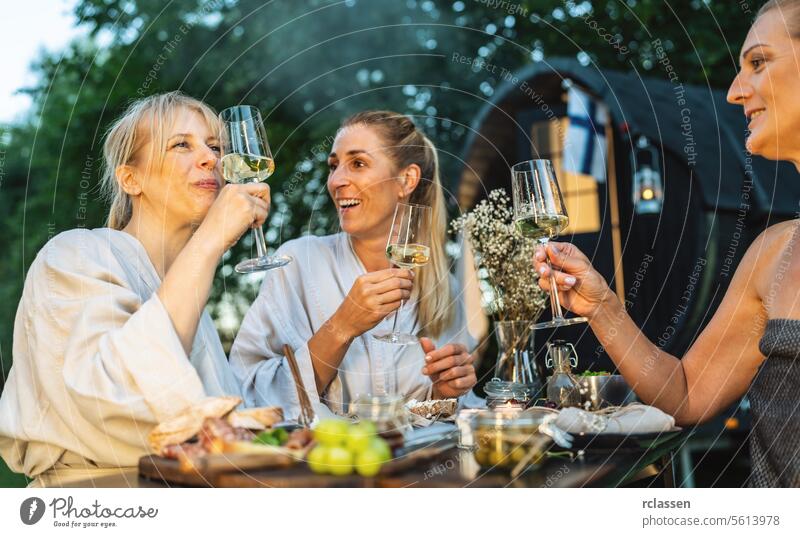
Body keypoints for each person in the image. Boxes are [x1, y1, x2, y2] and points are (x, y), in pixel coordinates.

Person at [532, 0, 800, 487]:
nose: (737, 92)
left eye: (759, 62)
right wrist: (602, 307)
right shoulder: (773, 252)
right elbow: (687, 394)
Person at [0, 91, 270, 486]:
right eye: (181, 144)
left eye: (215, 146)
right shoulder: (75, 254)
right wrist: (212, 238)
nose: (211, 158)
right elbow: (115, 399)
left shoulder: (189, 294)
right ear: (131, 178)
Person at [231, 111, 479, 418]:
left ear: (406, 179)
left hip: (416, 465)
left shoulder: (443, 289)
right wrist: (342, 326)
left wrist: (443, 394)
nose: (336, 181)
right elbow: (250, 393)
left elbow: (435, 420)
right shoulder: (298, 263)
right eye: (334, 166)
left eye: (357, 163)